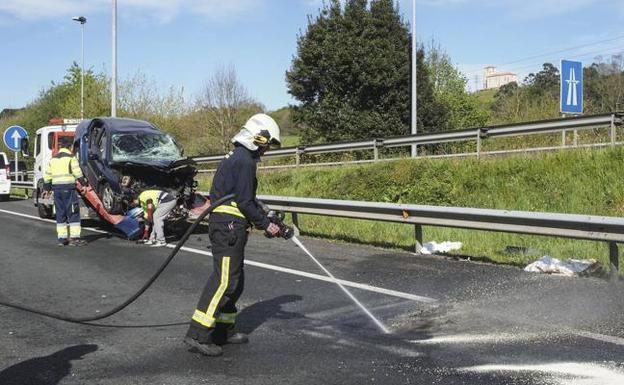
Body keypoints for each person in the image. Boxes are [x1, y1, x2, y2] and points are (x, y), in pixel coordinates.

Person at [184, 113, 287, 357]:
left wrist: (263, 216)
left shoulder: (239, 157)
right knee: (224, 281)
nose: (266, 151)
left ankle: (223, 330)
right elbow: (244, 201)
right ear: (258, 138)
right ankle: (198, 334)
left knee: (235, 280)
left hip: (230, 225)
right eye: (267, 145)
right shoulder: (244, 160)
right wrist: (266, 224)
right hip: (228, 226)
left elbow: (245, 198)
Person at [42, 136, 87, 247]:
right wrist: (84, 184)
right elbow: (78, 172)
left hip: (57, 190)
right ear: (70, 146)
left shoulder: (53, 159)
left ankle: (62, 239)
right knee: (73, 212)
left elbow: (47, 175)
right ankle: (74, 238)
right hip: (69, 189)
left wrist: (47, 189)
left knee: (60, 214)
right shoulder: (71, 158)